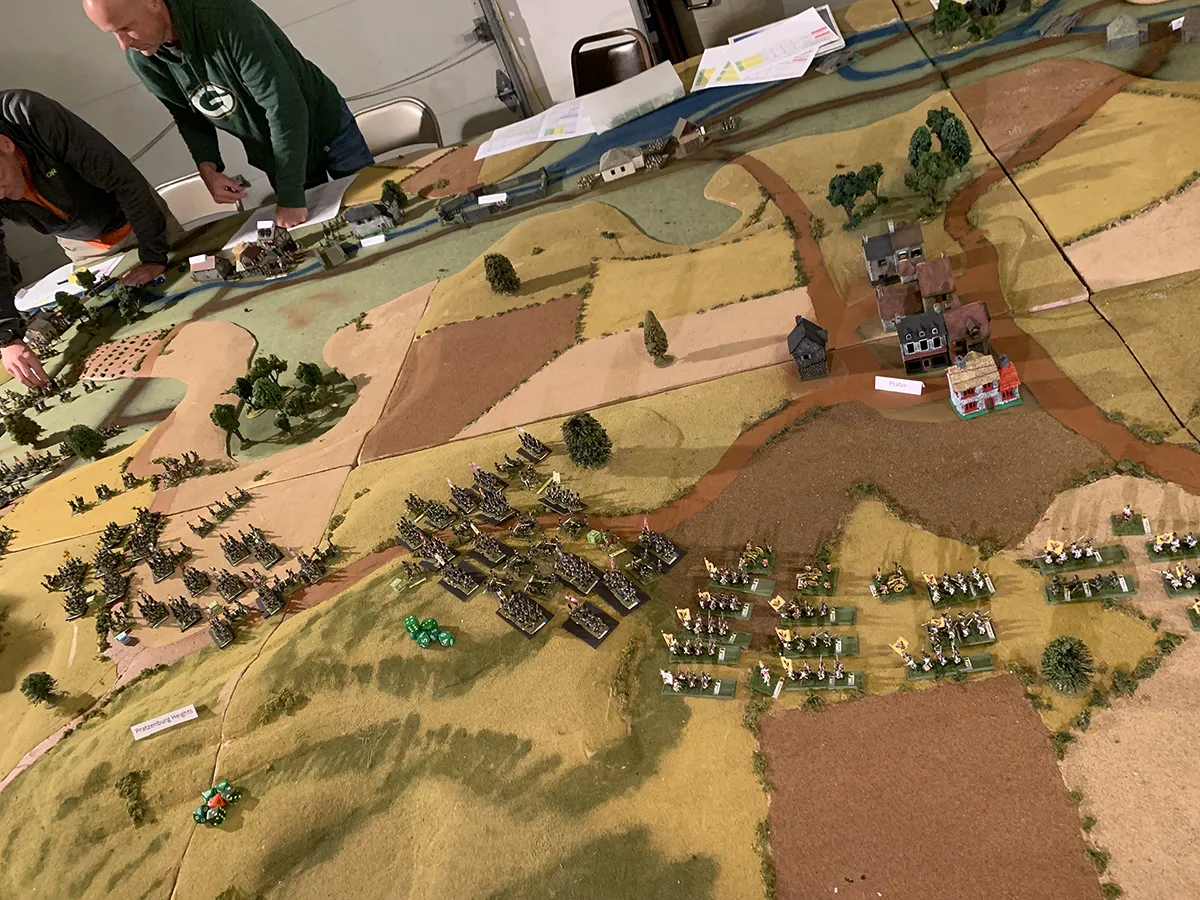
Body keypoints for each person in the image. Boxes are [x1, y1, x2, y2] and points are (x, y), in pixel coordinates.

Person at [83, 0, 375, 228]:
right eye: (113, 34)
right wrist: (207, 165)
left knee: (375, 207)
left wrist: (289, 196)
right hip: (274, 150)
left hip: (325, 126)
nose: (124, 44)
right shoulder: (143, 58)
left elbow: (283, 105)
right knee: (319, 228)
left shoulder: (226, 14)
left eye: (126, 28)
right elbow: (187, 114)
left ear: (153, 3)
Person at [0, 89, 179, 387]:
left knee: (180, 286)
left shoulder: (27, 113)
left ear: (5, 143)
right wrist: (7, 338)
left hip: (136, 217)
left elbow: (124, 180)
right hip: (82, 245)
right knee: (119, 321)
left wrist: (153, 256)